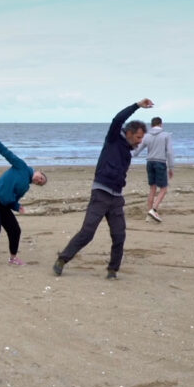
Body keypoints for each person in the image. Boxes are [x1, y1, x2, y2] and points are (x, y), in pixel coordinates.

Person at [53, 99, 153, 279]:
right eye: (138, 138)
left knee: (119, 235)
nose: (139, 143)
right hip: (100, 193)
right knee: (87, 232)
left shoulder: (127, 152)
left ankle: (112, 270)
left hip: (116, 198)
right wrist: (137, 105)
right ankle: (62, 259)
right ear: (129, 133)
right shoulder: (113, 139)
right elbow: (117, 120)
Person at [0, 126, 46, 269]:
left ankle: (13, 258)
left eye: (40, 183)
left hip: (3, 206)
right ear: (38, 171)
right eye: (41, 177)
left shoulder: (25, 186)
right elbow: (6, 153)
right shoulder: (21, 166)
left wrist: (17, 206)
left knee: (15, 230)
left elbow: (12, 200)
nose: (39, 180)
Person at [133, 116, 174, 222]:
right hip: (160, 162)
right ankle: (154, 210)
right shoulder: (166, 135)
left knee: (152, 189)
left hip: (150, 162)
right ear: (161, 124)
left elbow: (137, 150)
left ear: (151, 125)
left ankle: (149, 215)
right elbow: (169, 152)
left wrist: (129, 155)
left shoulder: (147, 136)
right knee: (163, 189)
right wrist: (171, 167)